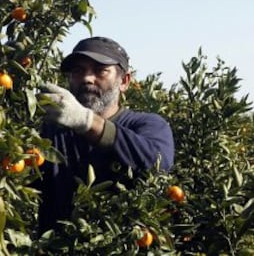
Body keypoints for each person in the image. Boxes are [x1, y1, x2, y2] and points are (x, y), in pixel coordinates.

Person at [37, 36, 175, 235]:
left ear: (124, 81)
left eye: (100, 70)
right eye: (78, 71)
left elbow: (156, 163)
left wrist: (87, 122)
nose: (87, 78)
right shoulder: (54, 132)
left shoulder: (147, 124)